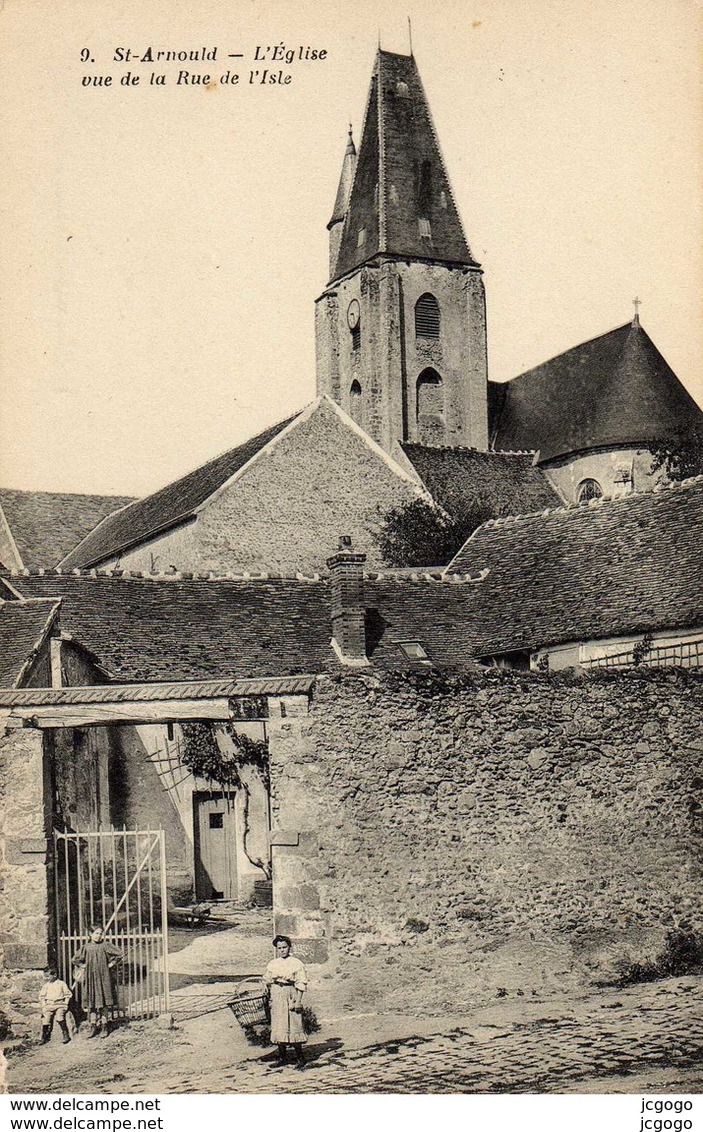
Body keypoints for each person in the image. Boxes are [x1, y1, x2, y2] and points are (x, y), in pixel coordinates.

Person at [263, 935, 308, 1068]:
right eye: (279, 948)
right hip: (277, 993)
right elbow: (267, 980)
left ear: (289, 947)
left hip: (290, 993)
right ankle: (283, 1058)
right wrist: (269, 993)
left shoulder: (296, 963)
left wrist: (298, 1001)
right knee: (279, 1024)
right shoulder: (273, 964)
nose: (282, 950)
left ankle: (301, 1058)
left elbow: (301, 982)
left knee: (294, 1023)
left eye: (284, 947)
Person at [73, 926, 123, 1038]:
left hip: (104, 977)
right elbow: (75, 959)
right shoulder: (86, 947)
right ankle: (93, 1026)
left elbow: (119, 954)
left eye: (101, 933)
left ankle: (105, 1027)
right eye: (96, 933)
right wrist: (83, 965)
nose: (99, 935)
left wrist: (111, 964)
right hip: (90, 978)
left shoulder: (105, 945)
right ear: (90, 934)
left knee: (104, 1003)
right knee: (91, 1004)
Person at [39, 968, 72, 1045]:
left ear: (54, 975)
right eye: (45, 977)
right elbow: (42, 996)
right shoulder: (46, 985)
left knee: (60, 1017)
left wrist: (65, 1003)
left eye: (48, 976)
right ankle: (44, 1037)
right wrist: (44, 1005)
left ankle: (65, 1034)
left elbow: (68, 994)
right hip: (49, 1004)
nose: (47, 978)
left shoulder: (61, 984)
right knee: (46, 1019)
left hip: (59, 1004)